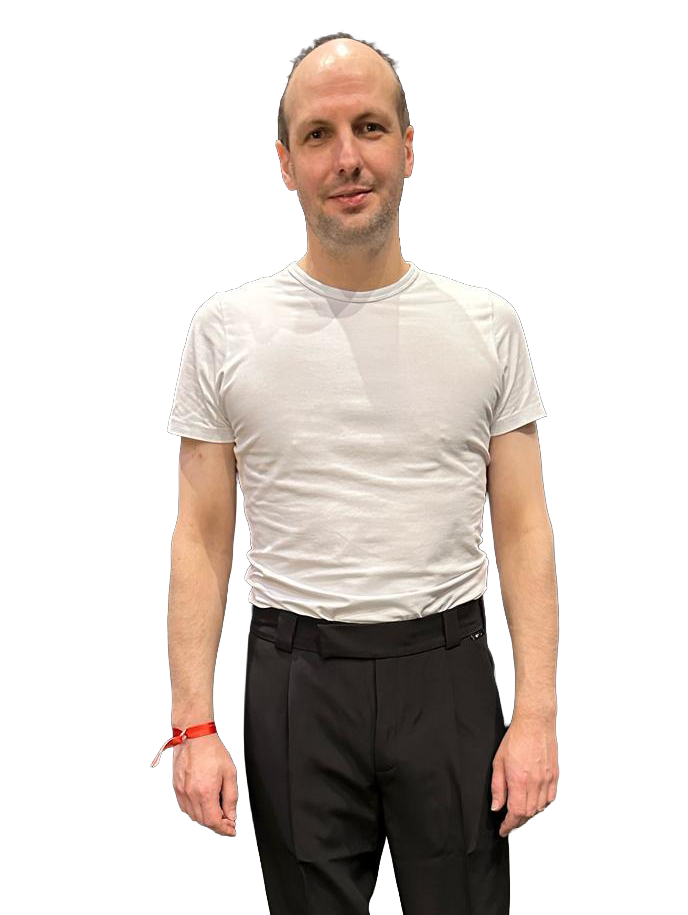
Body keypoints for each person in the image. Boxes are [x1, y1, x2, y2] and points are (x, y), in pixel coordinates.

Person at [160, 32, 560, 915]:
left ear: (408, 149)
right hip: (294, 682)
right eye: (318, 134)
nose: (348, 157)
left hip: (450, 678)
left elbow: (525, 526)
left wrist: (537, 712)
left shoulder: (487, 325)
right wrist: (193, 724)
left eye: (370, 127)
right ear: (285, 163)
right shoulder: (225, 328)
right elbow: (202, 535)